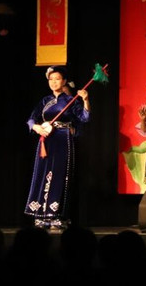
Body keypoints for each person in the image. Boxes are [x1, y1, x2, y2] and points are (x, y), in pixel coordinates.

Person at [24, 65, 90, 229]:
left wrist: (85, 100)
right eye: (51, 79)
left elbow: (85, 117)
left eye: (58, 79)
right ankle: (40, 213)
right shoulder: (45, 101)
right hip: (46, 140)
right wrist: (36, 127)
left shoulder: (70, 100)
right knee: (42, 173)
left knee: (60, 175)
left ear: (64, 81)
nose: (54, 82)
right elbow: (31, 119)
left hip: (63, 139)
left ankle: (56, 214)